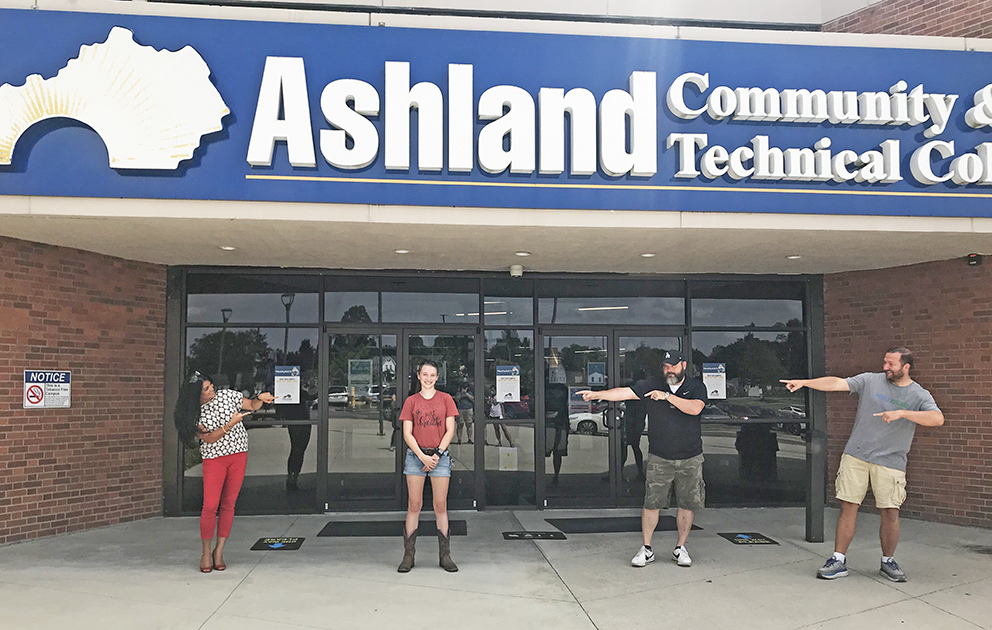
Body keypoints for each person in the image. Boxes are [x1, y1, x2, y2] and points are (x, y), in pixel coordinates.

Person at [780, 347, 943, 582]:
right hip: (856, 456)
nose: (886, 367)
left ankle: (888, 561)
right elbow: (837, 383)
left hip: (891, 461)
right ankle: (838, 560)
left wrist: (903, 414)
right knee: (848, 506)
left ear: (906, 367)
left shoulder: (919, 395)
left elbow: (937, 418)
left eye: (891, 364)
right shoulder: (870, 380)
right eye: (885, 362)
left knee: (890, 511)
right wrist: (805, 382)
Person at [578, 350, 706, 568]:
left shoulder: (696, 387)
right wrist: (598, 394)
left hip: (690, 457)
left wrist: (666, 397)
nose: (669, 371)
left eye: (673, 366)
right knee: (651, 503)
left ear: (683, 365)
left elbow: (695, 409)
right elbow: (625, 393)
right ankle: (646, 549)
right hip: (659, 456)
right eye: (665, 367)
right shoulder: (652, 384)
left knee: (686, 504)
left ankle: (680, 548)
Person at [173, 372, 275, 573]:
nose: (212, 389)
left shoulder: (228, 396)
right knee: (210, 505)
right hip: (214, 458)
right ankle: (205, 551)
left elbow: (252, 405)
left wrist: (260, 399)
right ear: (196, 395)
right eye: (207, 388)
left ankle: (219, 551)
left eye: (211, 386)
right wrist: (230, 424)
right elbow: (209, 438)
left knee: (229, 503)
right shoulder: (193, 414)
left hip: (238, 455)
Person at [397, 360, 459, 573]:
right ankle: (408, 555)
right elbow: (407, 433)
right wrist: (422, 456)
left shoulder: (446, 399)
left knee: (440, 506)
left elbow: (450, 430)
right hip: (416, 457)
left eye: (432, 375)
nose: (429, 378)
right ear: (418, 375)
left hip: (439, 457)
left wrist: (437, 455)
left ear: (437, 377)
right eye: (425, 374)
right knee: (414, 505)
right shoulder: (411, 402)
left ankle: (445, 555)